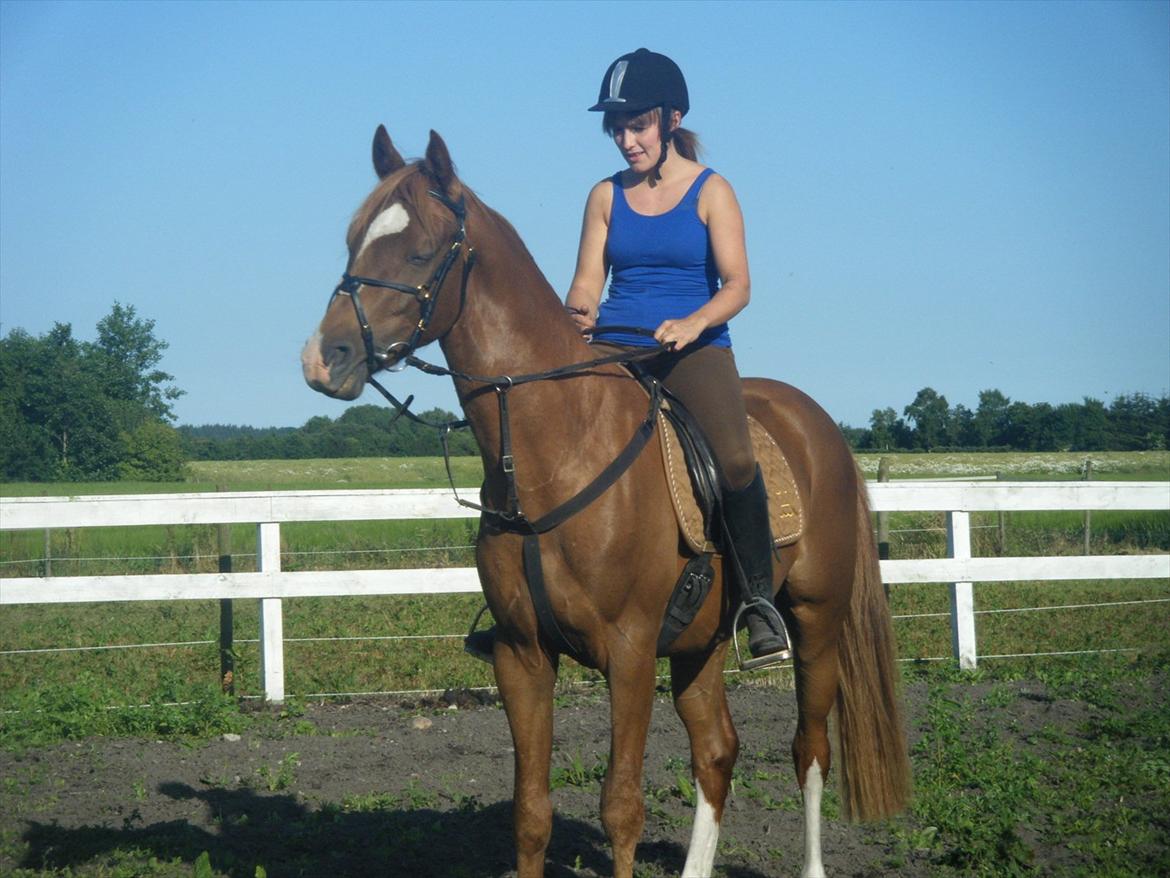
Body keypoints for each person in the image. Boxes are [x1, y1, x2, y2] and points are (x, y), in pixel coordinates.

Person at [466, 48, 791, 669]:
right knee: (538, 444)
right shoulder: (604, 196)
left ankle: (756, 603)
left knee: (734, 458)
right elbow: (587, 284)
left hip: (691, 349)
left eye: (636, 125)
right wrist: (572, 319)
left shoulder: (712, 190)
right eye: (616, 127)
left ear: (671, 120)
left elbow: (738, 285)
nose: (625, 139)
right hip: (615, 345)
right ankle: (517, 609)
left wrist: (693, 322)